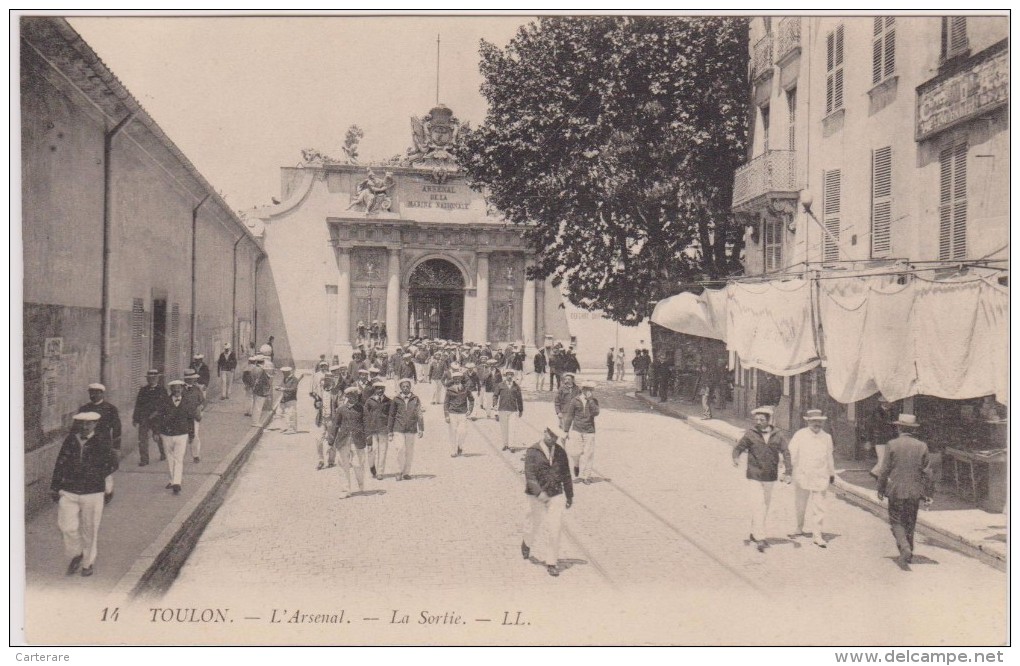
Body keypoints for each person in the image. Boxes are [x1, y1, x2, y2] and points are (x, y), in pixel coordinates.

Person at [49, 412, 116, 577]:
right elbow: (60, 463)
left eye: (89, 423)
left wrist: (98, 478)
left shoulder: (102, 441)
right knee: (66, 526)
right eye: (82, 423)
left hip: (92, 493)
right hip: (69, 490)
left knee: (90, 528)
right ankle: (76, 553)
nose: (85, 427)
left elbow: (113, 464)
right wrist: (55, 486)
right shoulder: (71, 440)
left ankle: (88, 563)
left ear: (95, 424)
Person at [877, 413, 934, 569]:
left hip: (895, 490)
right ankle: (909, 552)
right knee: (910, 521)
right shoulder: (922, 446)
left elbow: (884, 470)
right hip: (915, 491)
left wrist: (881, 489)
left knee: (896, 521)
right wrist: (928, 493)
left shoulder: (892, 444)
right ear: (913, 430)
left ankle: (905, 547)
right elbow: (928, 472)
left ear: (899, 428)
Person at [732, 405, 792, 553]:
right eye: (756, 419)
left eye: (762, 419)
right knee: (758, 504)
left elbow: (786, 452)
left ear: (769, 420)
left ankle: (754, 531)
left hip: (770, 476)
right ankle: (760, 537)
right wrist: (735, 458)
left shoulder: (778, 435)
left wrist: (789, 471)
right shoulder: (750, 434)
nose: (758, 422)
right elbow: (738, 447)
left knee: (764, 506)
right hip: (754, 475)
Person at [522, 427, 574, 577]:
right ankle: (526, 543)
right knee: (532, 525)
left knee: (554, 528)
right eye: (550, 434)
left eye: (555, 437)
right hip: (535, 495)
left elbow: (566, 475)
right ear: (544, 432)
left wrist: (569, 495)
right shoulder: (533, 451)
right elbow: (529, 476)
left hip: (555, 494)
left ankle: (551, 562)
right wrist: (539, 493)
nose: (552, 438)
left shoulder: (560, 453)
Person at [788, 409, 836, 548]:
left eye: (819, 421)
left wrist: (831, 473)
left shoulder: (827, 437)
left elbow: (829, 456)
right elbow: (792, 454)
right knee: (800, 504)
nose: (817, 424)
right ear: (808, 422)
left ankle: (817, 535)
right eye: (814, 421)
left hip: (820, 476)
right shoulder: (800, 435)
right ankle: (799, 527)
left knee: (819, 507)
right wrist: (790, 471)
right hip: (802, 475)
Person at [77, 383, 121, 504]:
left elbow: (117, 428)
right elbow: (76, 427)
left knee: (105, 468)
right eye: (91, 392)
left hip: (104, 444)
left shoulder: (110, 409)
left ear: (102, 393)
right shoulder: (84, 409)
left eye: (96, 392)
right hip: (88, 444)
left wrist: (116, 447)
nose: (93, 395)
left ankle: (108, 491)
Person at [155, 379, 198, 495]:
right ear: (171, 390)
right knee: (169, 458)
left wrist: (191, 434)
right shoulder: (164, 402)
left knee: (179, 459)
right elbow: (158, 418)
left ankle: (176, 483)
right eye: (175, 388)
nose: (177, 390)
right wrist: (156, 432)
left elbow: (190, 420)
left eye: (179, 388)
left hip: (182, 434)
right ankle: (172, 479)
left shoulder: (187, 402)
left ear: (182, 389)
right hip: (167, 434)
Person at [330, 386, 368, 499]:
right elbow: (335, 425)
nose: (353, 398)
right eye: (350, 396)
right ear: (346, 397)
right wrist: (330, 441)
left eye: (355, 396)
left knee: (358, 464)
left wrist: (368, 439)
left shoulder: (362, 409)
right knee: (343, 464)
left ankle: (361, 484)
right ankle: (345, 489)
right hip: (343, 440)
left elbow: (366, 424)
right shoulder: (341, 409)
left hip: (358, 440)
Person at [562, 381, 600, 484]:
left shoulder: (594, 401)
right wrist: (565, 431)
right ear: (582, 390)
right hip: (577, 430)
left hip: (589, 430)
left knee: (588, 453)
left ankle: (586, 476)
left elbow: (596, 413)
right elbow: (570, 416)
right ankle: (576, 466)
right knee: (575, 452)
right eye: (587, 389)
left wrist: (590, 401)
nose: (589, 391)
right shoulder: (575, 400)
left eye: (591, 389)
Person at [388, 378, 424, 481]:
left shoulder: (415, 399)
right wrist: (390, 431)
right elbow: (391, 415)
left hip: (411, 429)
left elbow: (419, 414)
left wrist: (421, 428)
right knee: (400, 449)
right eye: (403, 387)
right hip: (398, 428)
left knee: (409, 451)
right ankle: (399, 471)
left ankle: (406, 473)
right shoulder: (396, 399)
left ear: (410, 387)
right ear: (400, 388)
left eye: (407, 386)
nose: (405, 388)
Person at [132, 369, 166, 467]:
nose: (152, 380)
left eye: (154, 378)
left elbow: (165, 404)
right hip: (144, 418)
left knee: (158, 437)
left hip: (157, 419)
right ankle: (144, 459)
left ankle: (163, 453)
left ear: (158, 379)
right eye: (150, 378)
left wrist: (158, 413)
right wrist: (135, 418)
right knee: (142, 439)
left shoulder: (162, 390)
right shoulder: (143, 390)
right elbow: (138, 404)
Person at [865, 397, 899, 479]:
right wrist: (869, 440)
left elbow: (894, 427)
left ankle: (875, 473)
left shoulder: (892, 411)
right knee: (883, 459)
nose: (890, 404)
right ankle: (878, 475)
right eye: (888, 402)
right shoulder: (876, 412)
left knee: (886, 459)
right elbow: (870, 426)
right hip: (880, 439)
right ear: (883, 403)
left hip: (890, 439)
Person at [364, 380, 391, 479]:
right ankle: (372, 467)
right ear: (374, 389)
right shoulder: (369, 401)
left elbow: (391, 415)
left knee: (383, 450)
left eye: (382, 388)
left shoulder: (388, 401)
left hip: (383, 429)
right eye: (378, 388)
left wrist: (390, 427)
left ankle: (380, 472)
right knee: (372, 450)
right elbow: (365, 416)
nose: (380, 390)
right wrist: (367, 430)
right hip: (372, 429)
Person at [444, 371, 474, 458]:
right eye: (455, 378)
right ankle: (453, 450)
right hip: (452, 413)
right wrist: (446, 415)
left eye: (459, 378)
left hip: (462, 413)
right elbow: (446, 403)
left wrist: (470, 409)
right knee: (452, 432)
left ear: (461, 379)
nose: (457, 380)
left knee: (463, 432)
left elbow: (471, 399)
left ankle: (460, 446)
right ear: (453, 379)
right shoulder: (449, 390)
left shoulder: (466, 389)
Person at [493, 369, 524, 452]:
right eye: (508, 374)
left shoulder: (516, 386)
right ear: (505, 376)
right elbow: (495, 396)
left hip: (513, 410)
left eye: (511, 374)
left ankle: (511, 445)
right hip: (502, 409)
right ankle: (505, 444)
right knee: (504, 428)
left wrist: (521, 410)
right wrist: (495, 406)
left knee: (512, 427)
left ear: (513, 376)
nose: (509, 376)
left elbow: (519, 399)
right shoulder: (500, 385)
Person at [183, 369, 206, 462]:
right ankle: (180, 455)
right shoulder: (180, 389)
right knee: (183, 436)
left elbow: (203, 401)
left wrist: (200, 408)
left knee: (195, 436)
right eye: (189, 379)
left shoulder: (197, 389)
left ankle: (195, 455)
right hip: (183, 417)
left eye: (193, 379)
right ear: (186, 379)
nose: (192, 380)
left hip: (194, 416)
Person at [275, 367, 300, 434]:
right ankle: (284, 427)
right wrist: (278, 387)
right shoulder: (285, 378)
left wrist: (283, 389)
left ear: (287, 372)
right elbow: (281, 385)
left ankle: (292, 429)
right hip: (284, 398)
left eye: (284, 372)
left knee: (291, 414)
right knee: (279, 413)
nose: (283, 373)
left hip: (291, 398)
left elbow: (293, 389)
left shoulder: (294, 379)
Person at [250, 356, 272, 426]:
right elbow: (264, 381)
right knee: (258, 407)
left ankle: (254, 421)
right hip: (261, 390)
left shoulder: (254, 369)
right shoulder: (261, 370)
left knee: (255, 406)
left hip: (255, 389)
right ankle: (255, 422)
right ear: (263, 362)